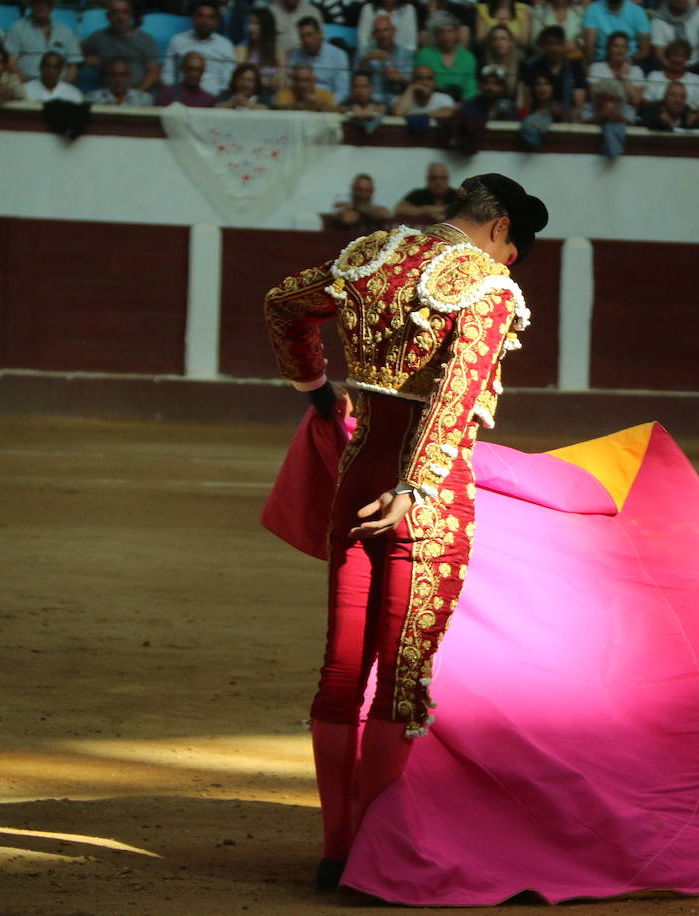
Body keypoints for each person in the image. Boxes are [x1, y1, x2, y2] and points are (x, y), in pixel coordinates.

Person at [262, 173, 548, 890]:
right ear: (499, 228)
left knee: (340, 668)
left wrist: (318, 392)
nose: (511, 261)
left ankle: (337, 850)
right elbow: (455, 397)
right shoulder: (484, 284)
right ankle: (376, 857)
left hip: (356, 480)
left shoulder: (368, 255)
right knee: (401, 680)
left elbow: (282, 306)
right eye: (516, 245)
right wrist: (416, 488)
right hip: (427, 497)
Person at [81, 0, 161, 95]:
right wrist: (86, 59)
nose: (120, 17)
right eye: (115, 12)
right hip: (107, 95)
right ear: (108, 16)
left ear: (131, 15)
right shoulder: (98, 37)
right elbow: (76, 53)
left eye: (125, 12)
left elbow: (154, 73)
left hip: (138, 95)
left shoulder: (146, 40)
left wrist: (135, 94)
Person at [165, 1, 236, 97]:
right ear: (193, 18)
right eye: (200, 15)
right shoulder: (178, 41)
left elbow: (229, 80)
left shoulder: (225, 46)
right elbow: (168, 74)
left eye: (210, 17)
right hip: (180, 98)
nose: (205, 20)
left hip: (214, 99)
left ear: (217, 22)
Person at [4, 0, 81, 82]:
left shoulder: (66, 32)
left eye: (45, 3)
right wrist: (27, 84)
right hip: (27, 83)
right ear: (31, 6)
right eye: (37, 3)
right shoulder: (17, 28)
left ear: (51, 7)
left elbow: (74, 66)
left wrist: (62, 88)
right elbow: (10, 61)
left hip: (58, 84)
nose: (41, 7)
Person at [518, 25, 585, 114]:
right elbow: (526, 102)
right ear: (542, 45)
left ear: (564, 45)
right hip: (538, 116)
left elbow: (579, 103)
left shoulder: (575, 68)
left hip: (567, 118)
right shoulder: (532, 67)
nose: (554, 48)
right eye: (549, 43)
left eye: (558, 43)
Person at [415, 13, 478, 100]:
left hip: (462, 103)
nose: (446, 35)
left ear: (456, 33)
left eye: (450, 31)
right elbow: (421, 84)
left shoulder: (468, 57)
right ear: (436, 35)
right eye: (441, 32)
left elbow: (470, 89)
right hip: (431, 101)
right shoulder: (425, 54)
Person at [287, 18, 350, 102]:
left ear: (320, 34)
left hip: (328, 107)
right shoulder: (294, 55)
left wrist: (324, 103)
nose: (306, 40)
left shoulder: (338, 55)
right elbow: (290, 85)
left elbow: (343, 91)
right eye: (302, 36)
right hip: (299, 104)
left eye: (309, 35)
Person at [358, 15, 413, 105]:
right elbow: (353, 80)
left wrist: (399, 79)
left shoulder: (406, 54)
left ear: (394, 31)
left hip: (397, 101)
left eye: (385, 30)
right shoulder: (364, 53)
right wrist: (366, 61)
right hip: (370, 102)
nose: (382, 35)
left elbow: (412, 85)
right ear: (373, 35)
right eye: (378, 31)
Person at [586, 31, 644, 111]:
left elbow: (636, 101)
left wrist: (625, 78)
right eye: (615, 46)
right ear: (608, 49)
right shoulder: (596, 68)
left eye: (623, 47)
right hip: (599, 109)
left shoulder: (636, 71)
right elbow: (593, 95)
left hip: (625, 111)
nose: (620, 50)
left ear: (627, 49)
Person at [583, 0, 652, 65]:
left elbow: (644, 50)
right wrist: (593, 66)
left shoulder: (637, 11)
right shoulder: (594, 9)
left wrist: (627, 60)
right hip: (602, 60)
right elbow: (589, 47)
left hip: (631, 60)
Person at [236, 9, 286, 90]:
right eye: (250, 23)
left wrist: (274, 80)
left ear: (266, 26)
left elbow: (281, 78)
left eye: (256, 24)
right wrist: (267, 82)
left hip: (272, 94)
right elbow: (240, 79)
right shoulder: (242, 49)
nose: (250, 28)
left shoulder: (278, 50)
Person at [395, 162, 459, 224]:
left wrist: (444, 211)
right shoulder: (419, 194)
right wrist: (426, 210)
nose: (438, 182)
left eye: (442, 178)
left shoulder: (457, 195)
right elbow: (399, 208)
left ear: (448, 179)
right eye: (434, 178)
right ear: (428, 179)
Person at [390, 63, 457, 116]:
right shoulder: (400, 99)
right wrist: (411, 88)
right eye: (420, 78)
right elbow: (398, 113)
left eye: (429, 79)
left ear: (434, 83)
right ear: (413, 81)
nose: (424, 83)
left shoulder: (444, 98)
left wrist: (419, 117)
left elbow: (448, 112)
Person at [86, 55, 154, 105]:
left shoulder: (144, 99)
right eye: (113, 75)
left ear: (129, 76)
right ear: (105, 77)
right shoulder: (93, 98)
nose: (118, 80)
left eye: (123, 75)